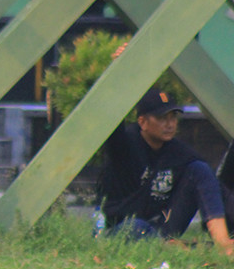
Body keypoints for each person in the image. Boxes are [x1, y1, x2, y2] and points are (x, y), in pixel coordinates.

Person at [98, 87, 234, 256]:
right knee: (137, 227)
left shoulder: (177, 151)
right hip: (126, 227)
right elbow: (112, 122)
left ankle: (222, 243)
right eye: (162, 118)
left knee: (200, 168)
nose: (169, 124)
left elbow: (211, 185)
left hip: (164, 227)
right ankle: (178, 248)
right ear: (142, 122)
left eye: (173, 117)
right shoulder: (124, 145)